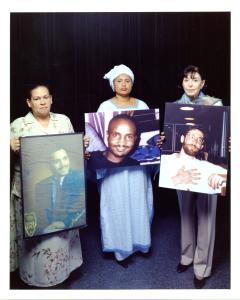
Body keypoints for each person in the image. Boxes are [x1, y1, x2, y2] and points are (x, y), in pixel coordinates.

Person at [10, 84, 86, 287]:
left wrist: (81, 145)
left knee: (60, 233)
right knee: (34, 238)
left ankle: (60, 274)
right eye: (37, 98)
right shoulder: (18, 125)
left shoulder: (63, 120)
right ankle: (35, 278)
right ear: (29, 102)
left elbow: (73, 153)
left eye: (45, 97)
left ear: (51, 99)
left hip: (62, 188)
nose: (42, 102)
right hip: (29, 192)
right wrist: (9, 147)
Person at [93, 64, 159, 268]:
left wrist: (157, 143)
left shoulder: (142, 105)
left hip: (137, 168)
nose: (123, 84)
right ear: (113, 84)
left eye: (127, 80)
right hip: (113, 170)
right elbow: (98, 142)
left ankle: (141, 243)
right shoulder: (105, 107)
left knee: (138, 203)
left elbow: (148, 136)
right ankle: (120, 248)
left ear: (132, 83)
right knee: (116, 205)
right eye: (119, 80)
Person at [173, 65, 227, 288]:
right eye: (186, 79)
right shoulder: (175, 107)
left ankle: (201, 267)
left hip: (208, 167)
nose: (190, 83)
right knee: (185, 213)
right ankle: (187, 257)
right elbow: (172, 142)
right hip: (181, 167)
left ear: (203, 83)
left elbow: (225, 134)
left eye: (195, 79)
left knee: (206, 217)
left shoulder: (215, 104)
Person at [159, 127, 227, 194]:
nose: (195, 141)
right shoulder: (163, 161)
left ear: (201, 146)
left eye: (199, 140)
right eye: (192, 137)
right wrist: (176, 179)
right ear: (182, 139)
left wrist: (225, 177)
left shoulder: (206, 167)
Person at [34, 147, 85, 235]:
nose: (63, 164)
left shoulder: (80, 178)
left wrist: (65, 223)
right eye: (57, 161)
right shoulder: (41, 186)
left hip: (73, 228)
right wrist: (47, 227)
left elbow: (82, 209)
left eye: (65, 158)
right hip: (50, 230)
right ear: (48, 165)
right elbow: (40, 214)